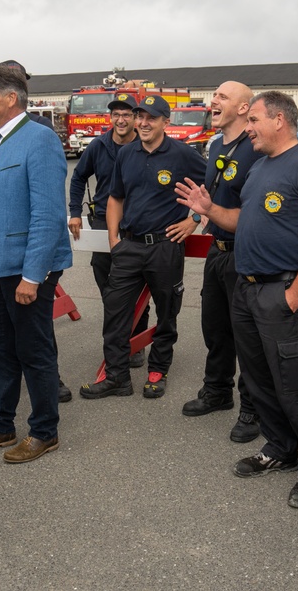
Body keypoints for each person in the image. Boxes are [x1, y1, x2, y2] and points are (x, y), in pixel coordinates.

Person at [177, 91, 298, 509]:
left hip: (282, 290)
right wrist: (210, 209)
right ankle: (280, 448)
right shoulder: (261, 167)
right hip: (246, 289)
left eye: (255, 121)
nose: (248, 128)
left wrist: (296, 293)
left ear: (280, 120)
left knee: (294, 382)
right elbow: (240, 220)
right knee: (260, 378)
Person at [0, 65, 72, 464]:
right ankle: (0, 425)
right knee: (1, 350)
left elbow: (48, 214)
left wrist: (32, 275)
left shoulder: (38, 140)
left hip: (24, 271)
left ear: (10, 98)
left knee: (33, 350)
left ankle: (44, 431)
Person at [79, 95, 205, 400]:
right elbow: (115, 198)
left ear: (166, 121)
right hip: (129, 247)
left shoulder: (182, 154)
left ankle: (157, 371)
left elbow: (213, 186)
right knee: (115, 311)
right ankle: (117, 377)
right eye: (140, 117)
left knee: (166, 312)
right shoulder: (127, 154)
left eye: (151, 118)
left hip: (165, 247)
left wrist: (195, 219)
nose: (144, 123)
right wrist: (113, 240)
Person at [179, 81, 263, 443]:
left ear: (244, 108)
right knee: (215, 328)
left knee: (248, 336)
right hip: (218, 249)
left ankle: (253, 407)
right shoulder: (216, 146)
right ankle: (217, 391)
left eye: (222, 97)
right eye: (214, 95)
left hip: (246, 253)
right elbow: (211, 196)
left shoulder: (256, 148)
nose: (213, 101)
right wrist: (195, 219)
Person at [67, 91, 148, 369]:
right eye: (117, 114)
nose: (121, 119)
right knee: (107, 279)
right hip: (102, 219)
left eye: (127, 114)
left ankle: (136, 341)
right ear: (110, 117)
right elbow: (77, 178)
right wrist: (74, 213)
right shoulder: (98, 146)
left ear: (135, 119)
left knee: (137, 282)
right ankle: (119, 326)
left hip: (137, 222)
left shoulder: (146, 144)